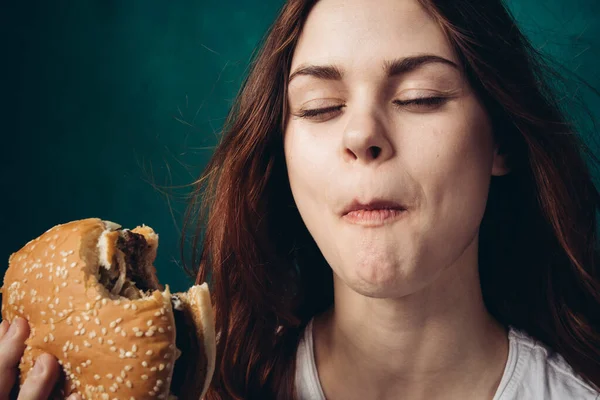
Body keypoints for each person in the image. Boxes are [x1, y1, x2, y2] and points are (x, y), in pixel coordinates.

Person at [2, 0, 600, 399]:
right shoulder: (203, 389)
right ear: (281, 152)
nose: (361, 135)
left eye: (419, 97)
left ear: (501, 140)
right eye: (320, 107)